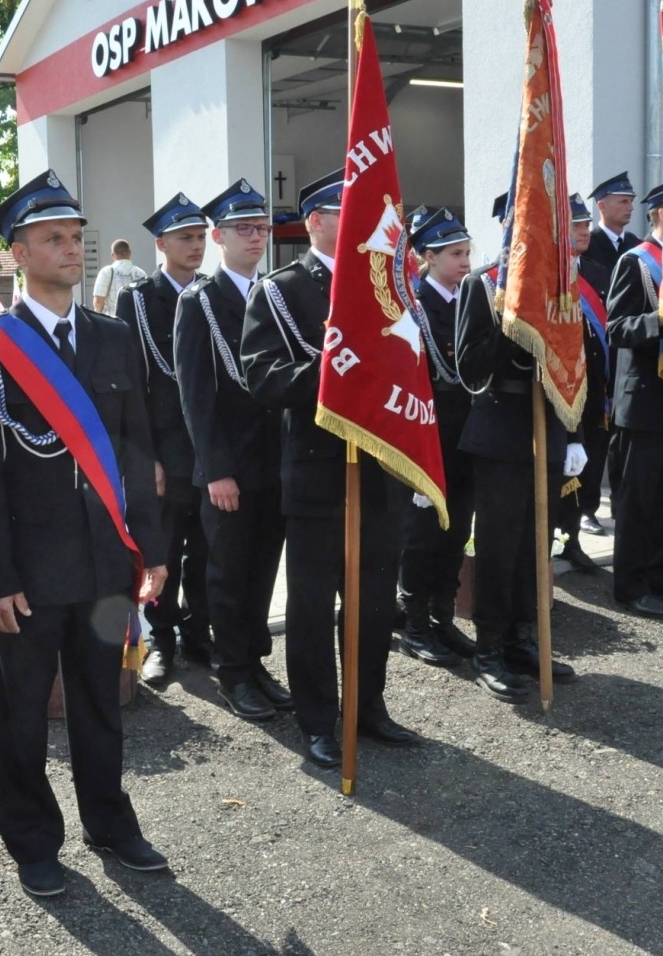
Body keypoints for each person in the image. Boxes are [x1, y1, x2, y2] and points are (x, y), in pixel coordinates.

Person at [0, 169, 169, 898]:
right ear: (17, 252)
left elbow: (138, 453)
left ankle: (111, 823)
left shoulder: (111, 337)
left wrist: (153, 550)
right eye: (53, 238)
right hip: (30, 572)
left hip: (106, 560)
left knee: (101, 703)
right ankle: (34, 841)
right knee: (21, 714)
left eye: (76, 236)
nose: (71, 248)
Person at [241, 170, 417, 768]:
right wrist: (332, 378)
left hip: (380, 470)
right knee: (314, 608)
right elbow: (260, 377)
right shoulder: (282, 290)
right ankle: (319, 719)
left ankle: (368, 707)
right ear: (316, 222)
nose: (364, 224)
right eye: (348, 213)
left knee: (371, 602)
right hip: (319, 473)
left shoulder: (389, 286)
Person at [174, 179, 290, 720]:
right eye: (244, 228)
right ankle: (232, 671)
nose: (256, 237)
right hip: (228, 470)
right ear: (218, 236)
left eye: (262, 227)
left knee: (264, 570)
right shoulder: (199, 301)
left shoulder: (275, 293)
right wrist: (216, 470)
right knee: (227, 574)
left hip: (275, 463)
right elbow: (196, 396)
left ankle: (256, 661)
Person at [455, 244, 584, 702]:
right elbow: (468, 367)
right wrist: (512, 323)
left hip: (546, 428)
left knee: (536, 544)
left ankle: (524, 638)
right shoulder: (484, 284)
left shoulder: (561, 287)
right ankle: (488, 648)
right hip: (500, 430)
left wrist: (574, 433)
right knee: (499, 546)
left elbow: (575, 366)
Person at [118, 193, 213, 681]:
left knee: (207, 548)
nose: (196, 246)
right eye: (185, 238)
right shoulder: (137, 298)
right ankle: (163, 639)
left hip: (208, 451)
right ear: (161, 244)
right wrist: (146, 459)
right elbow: (130, 385)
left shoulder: (212, 293)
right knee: (165, 549)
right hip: (166, 449)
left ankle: (201, 634)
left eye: (200, 237)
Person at [395, 209, 478, 667]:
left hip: (466, 437)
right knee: (421, 536)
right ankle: (415, 624)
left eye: (467, 252)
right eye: (455, 254)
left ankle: (444, 618)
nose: (465, 261)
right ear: (428, 256)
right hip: (428, 436)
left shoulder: (470, 298)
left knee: (456, 532)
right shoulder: (414, 306)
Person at [605, 183, 663, 620]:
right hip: (642, 396)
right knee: (638, 498)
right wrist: (660, 320)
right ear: (657, 215)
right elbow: (617, 327)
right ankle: (629, 585)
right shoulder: (636, 262)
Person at [559, 191, 611, 562]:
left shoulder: (596, 273)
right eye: (576, 225)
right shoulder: (548, 275)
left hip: (594, 385)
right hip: (561, 385)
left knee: (590, 458)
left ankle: (575, 533)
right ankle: (559, 535)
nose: (584, 231)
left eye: (586, 225)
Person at [586, 171, 639, 274]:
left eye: (631, 201)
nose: (631, 208)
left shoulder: (636, 244)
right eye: (624, 201)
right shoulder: (588, 246)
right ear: (602, 206)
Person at [92, 238, 146, 315]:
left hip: (111, 322)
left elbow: (98, 301)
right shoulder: (141, 273)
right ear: (129, 253)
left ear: (113, 255)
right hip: (135, 322)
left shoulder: (106, 272)